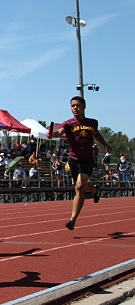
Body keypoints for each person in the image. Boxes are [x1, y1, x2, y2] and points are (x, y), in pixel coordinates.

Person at [47, 96, 112, 230]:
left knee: (79, 186)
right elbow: (59, 132)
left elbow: (96, 134)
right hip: (73, 160)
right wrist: (52, 134)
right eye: (72, 106)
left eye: (77, 105)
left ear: (84, 107)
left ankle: (72, 220)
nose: (75, 108)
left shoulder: (92, 122)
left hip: (87, 159)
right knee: (81, 185)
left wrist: (105, 145)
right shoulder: (68, 123)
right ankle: (94, 190)